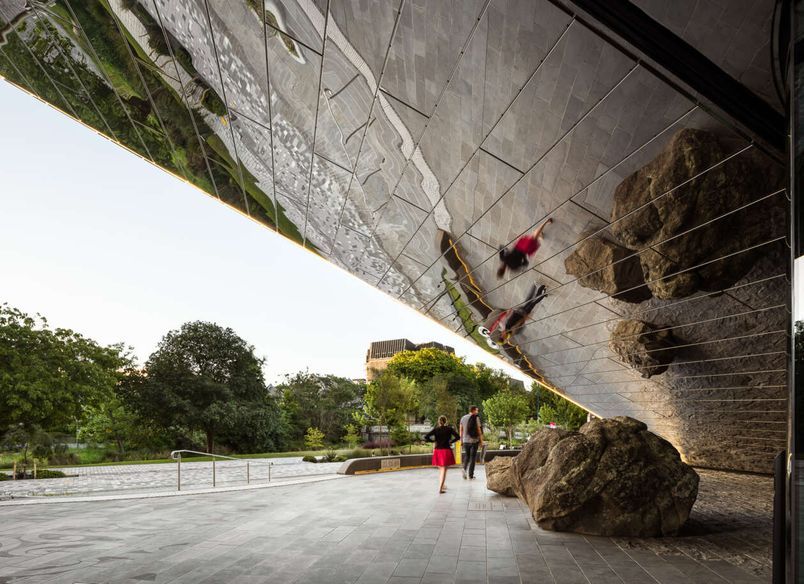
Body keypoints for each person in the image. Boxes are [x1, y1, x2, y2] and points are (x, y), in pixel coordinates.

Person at [424, 416, 460, 494]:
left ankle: (442, 485)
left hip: (438, 451)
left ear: (438, 422)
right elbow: (458, 437)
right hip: (446, 451)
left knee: (441, 470)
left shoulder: (436, 429)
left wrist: (433, 441)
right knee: (444, 470)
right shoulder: (449, 429)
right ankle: (440, 488)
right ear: (446, 421)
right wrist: (451, 442)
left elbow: (426, 437)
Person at [459, 406, 483, 480]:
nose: (477, 412)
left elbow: (461, 431)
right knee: (473, 458)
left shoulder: (463, 418)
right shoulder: (476, 418)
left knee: (467, 456)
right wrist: (481, 441)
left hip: (465, 441)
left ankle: (464, 469)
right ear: (473, 410)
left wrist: (461, 440)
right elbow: (479, 430)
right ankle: (471, 475)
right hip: (474, 441)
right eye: (476, 410)